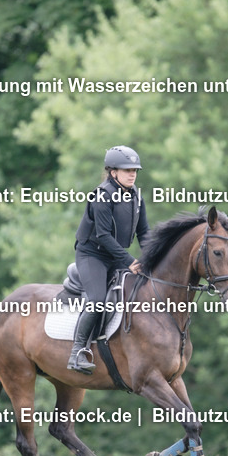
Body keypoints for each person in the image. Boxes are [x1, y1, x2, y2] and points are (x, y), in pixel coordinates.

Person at [68, 145, 149, 373]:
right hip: (93, 255)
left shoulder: (137, 197)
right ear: (113, 172)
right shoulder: (101, 196)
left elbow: (144, 233)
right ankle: (77, 353)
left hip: (116, 256)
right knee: (97, 300)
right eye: (127, 170)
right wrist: (131, 262)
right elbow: (103, 236)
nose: (132, 174)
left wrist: (153, 258)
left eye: (134, 170)